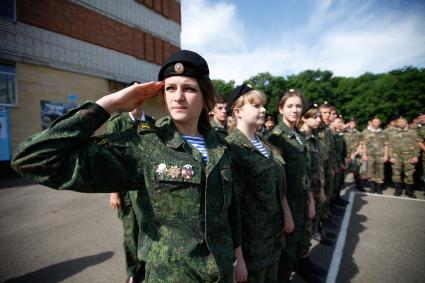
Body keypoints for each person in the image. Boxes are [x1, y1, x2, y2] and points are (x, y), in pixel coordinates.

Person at [11, 50, 241, 283]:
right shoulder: (146, 144)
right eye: (170, 88)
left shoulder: (220, 148)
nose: (178, 96)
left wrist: (238, 260)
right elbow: (32, 159)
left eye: (189, 88)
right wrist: (109, 104)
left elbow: (231, 213)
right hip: (173, 276)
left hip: (221, 272)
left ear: (205, 95)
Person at [226, 84, 287, 283]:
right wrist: (238, 259)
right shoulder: (233, 149)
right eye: (256, 106)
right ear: (238, 112)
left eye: (263, 105)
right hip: (251, 249)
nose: (263, 110)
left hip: (272, 239)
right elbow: (232, 210)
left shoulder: (263, 143)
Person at [268, 89, 320, 283]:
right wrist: (287, 213)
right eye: (290, 106)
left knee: (299, 243)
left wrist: (311, 201)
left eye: (298, 106)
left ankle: (300, 268)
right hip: (288, 203)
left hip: (302, 200)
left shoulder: (297, 134)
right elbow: (279, 182)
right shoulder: (276, 137)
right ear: (281, 109)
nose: (295, 110)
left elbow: (305, 172)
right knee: (287, 251)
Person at [107, 103, 150, 283]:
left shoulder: (151, 122)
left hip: (149, 189)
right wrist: (114, 191)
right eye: (133, 95)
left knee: (150, 230)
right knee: (131, 232)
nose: (137, 100)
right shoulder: (117, 123)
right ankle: (133, 272)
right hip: (126, 189)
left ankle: (149, 267)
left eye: (141, 96)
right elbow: (110, 155)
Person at [297, 101, 328, 280]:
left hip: (314, 188)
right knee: (303, 230)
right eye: (315, 117)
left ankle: (305, 259)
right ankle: (302, 262)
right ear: (305, 118)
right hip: (304, 192)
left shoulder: (314, 138)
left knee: (309, 227)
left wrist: (322, 188)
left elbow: (318, 167)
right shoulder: (299, 138)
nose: (318, 120)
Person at [388, 116, 420, 198]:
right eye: (399, 122)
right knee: (396, 174)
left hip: (409, 156)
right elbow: (389, 146)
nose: (401, 123)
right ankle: (398, 190)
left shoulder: (413, 132)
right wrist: (391, 157)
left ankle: (409, 191)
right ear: (397, 123)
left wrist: (416, 156)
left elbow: (417, 145)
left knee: (409, 174)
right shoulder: (392, 133)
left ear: (406, 122)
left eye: (403, 121)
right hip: (396, 156)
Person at [361, 116, 389, 194]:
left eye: (378, 122)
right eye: (374, 122)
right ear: (371, 123)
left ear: (380, 123)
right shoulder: (366, 132)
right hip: (370, 155)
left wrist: (386, 155)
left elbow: (386, 145)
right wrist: (364, 154)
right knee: (370, 171)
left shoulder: (383, 132)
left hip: (380, 155)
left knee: (380, 171)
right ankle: (372, 187)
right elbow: (364, 144)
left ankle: (379, 187)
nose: (376, 123)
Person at [343, 118, 364, 191]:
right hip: (346, 154)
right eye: (350, 123)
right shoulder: (344, 132)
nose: (352, 125)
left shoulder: (358, 133)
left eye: (354, 123)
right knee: (344, 170)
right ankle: (342, 184)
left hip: (355, 154)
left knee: (357, 171)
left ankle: (358, 185)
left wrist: (356, 153)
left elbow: (361, 144)